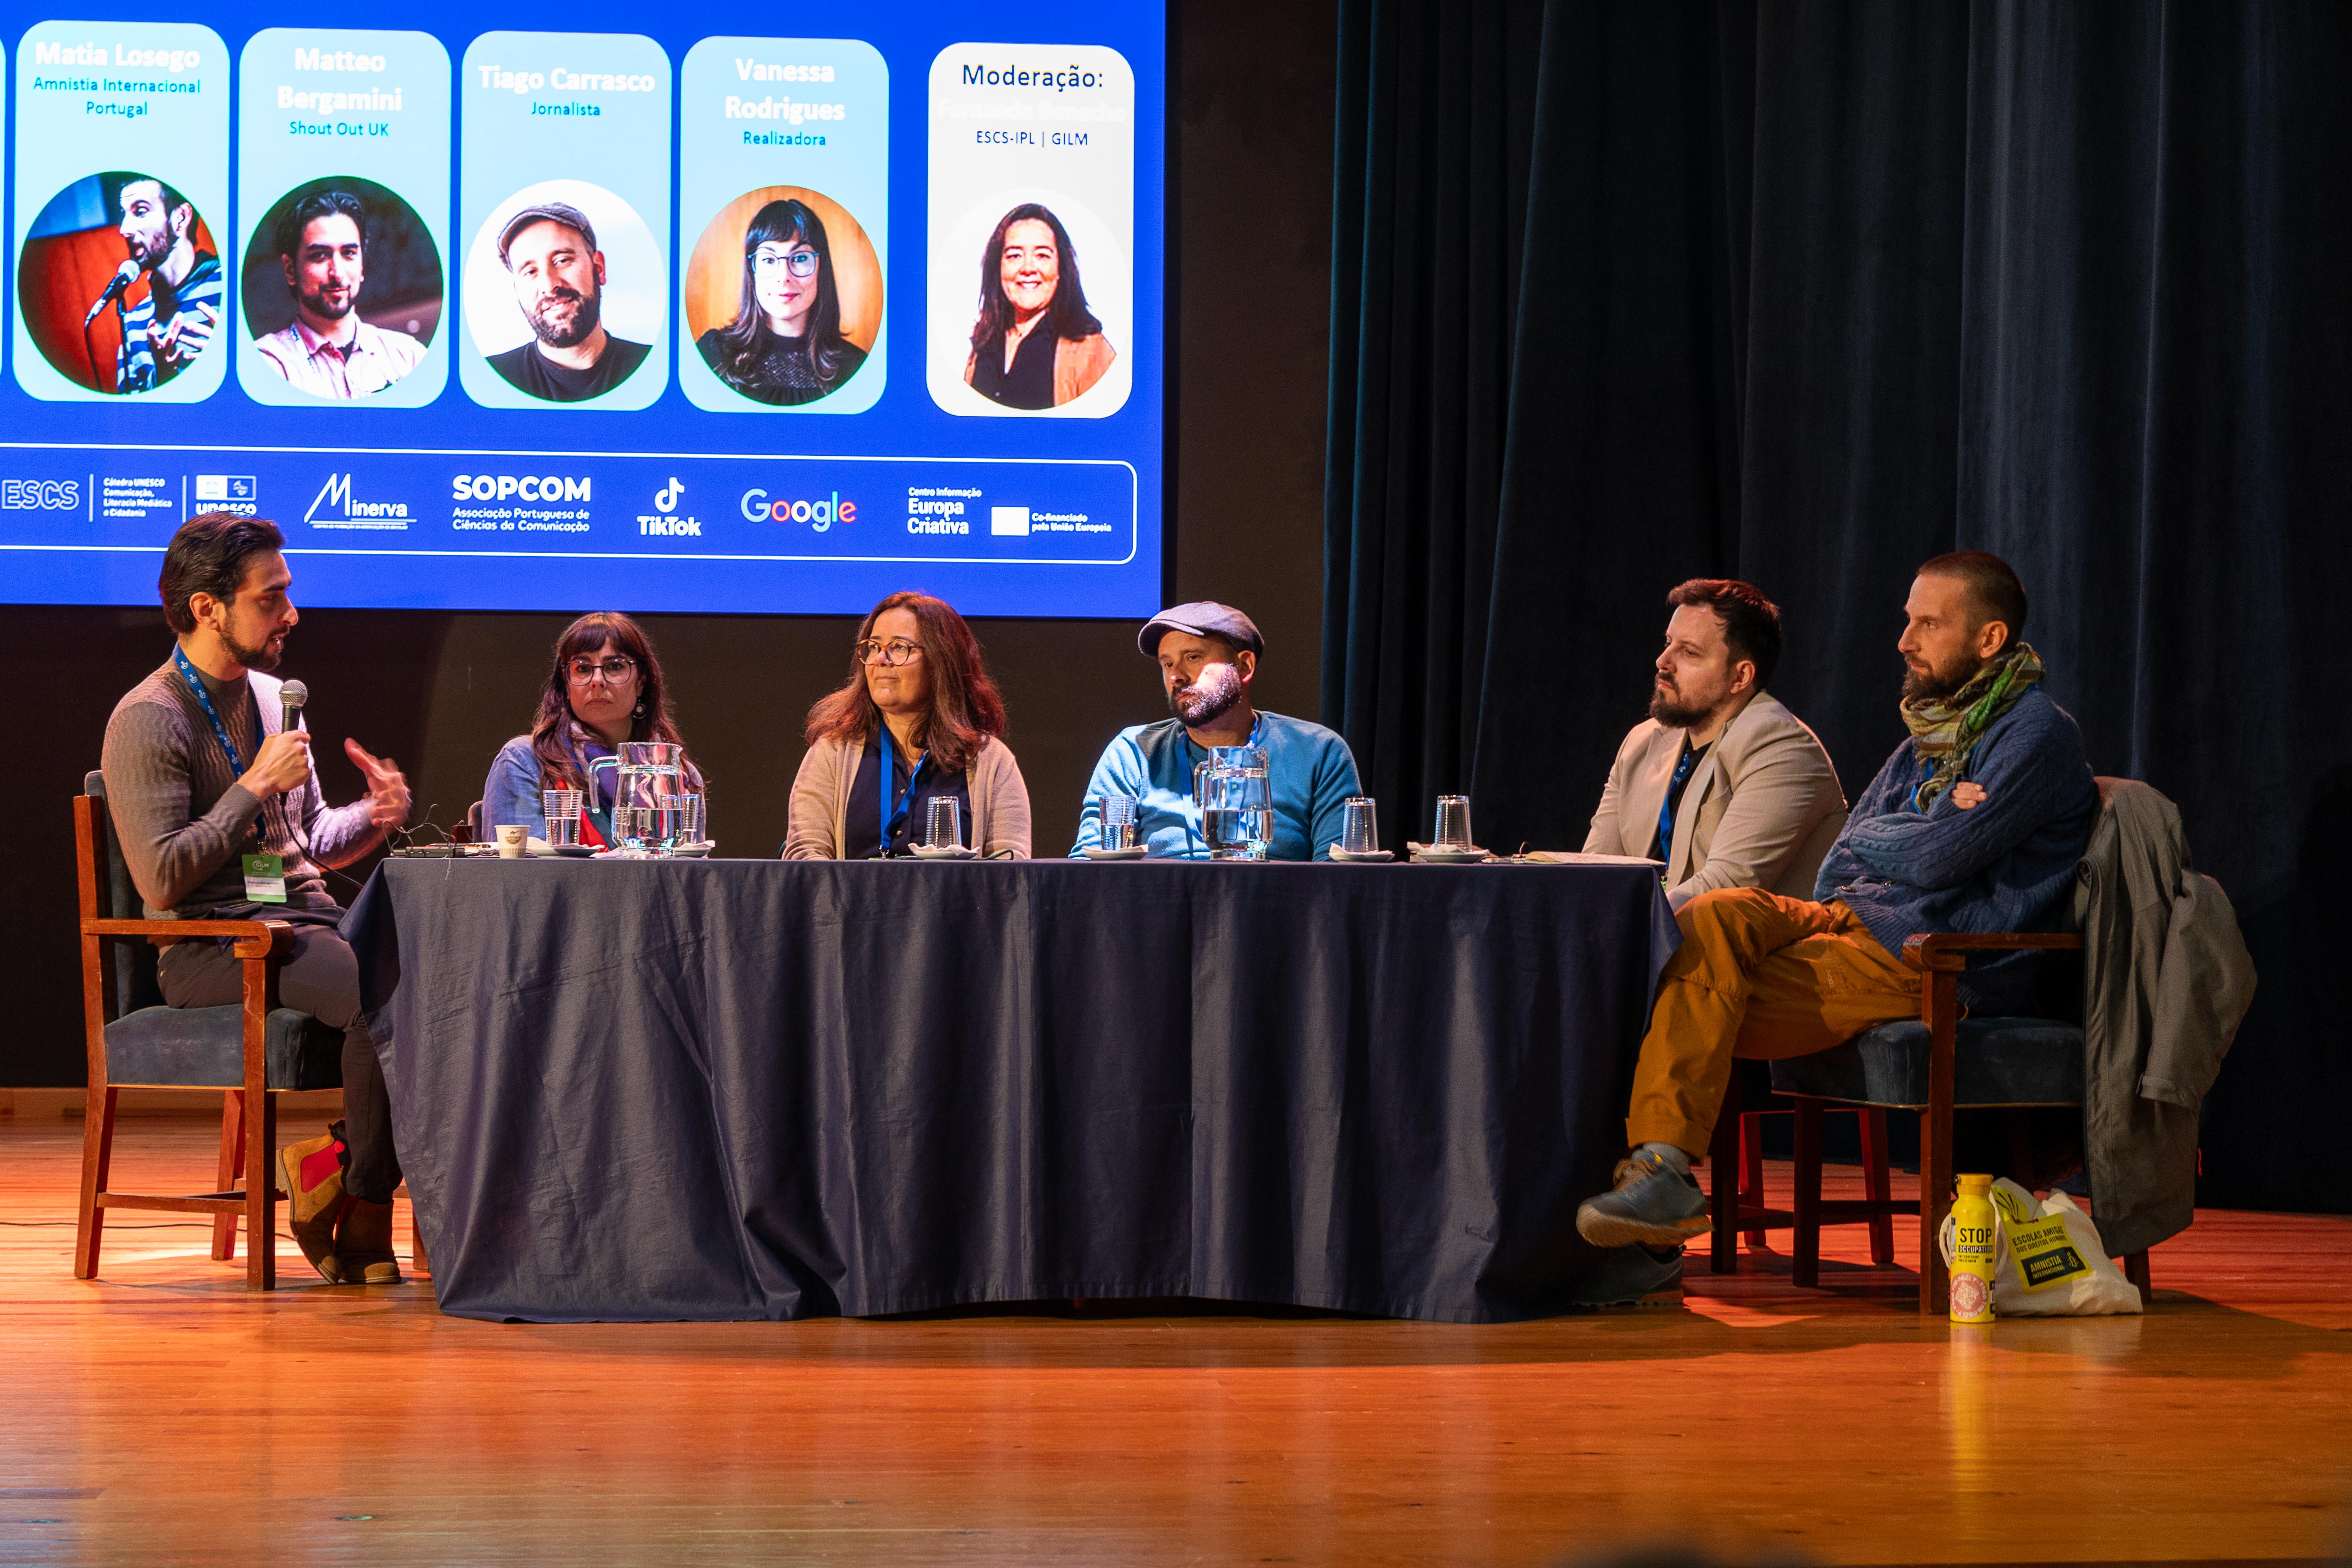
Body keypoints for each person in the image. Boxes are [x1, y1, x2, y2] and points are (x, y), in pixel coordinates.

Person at [1574, 551, 2099, 1253]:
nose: (1905, 640)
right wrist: (1929, 813)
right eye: (1907, 620)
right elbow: (1845, 855)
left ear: (1990, 639)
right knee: (1713, 914)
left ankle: (1658, 1175)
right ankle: (1652, 1186)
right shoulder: (1936, 731)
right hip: (1851, 918)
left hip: (1929, 954)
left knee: (1660, 986)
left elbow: (1943, 857)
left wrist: (1926, 829)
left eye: (1928, 624)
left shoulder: (2035, 735)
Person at [99, 513, 413, 1283]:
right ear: (208, 607)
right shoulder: (150, 717)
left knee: (452, 981)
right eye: (271, 599)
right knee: (392, 995)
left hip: (302, 926)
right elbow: (162, 880)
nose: (292, 615)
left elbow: (305, 843)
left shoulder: (275, 699)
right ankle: (364, 1207)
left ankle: (332, 1165)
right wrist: (249, 786)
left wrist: (371, 818)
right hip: (213, 947)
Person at [1584, 579, 1847, 909]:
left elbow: (1722, 891)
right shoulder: (1643, 742)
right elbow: (1594, 870)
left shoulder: (1783, 748)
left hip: (1748, 958)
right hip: (1646, 943)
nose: (1663, 661)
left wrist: (1612, 928)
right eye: (1668, 642)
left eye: (1689, 652)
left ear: (1741, 676)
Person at [1069, 602, 1361, 860]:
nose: (1176, 675)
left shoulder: (1317, 752)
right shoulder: (1133, 752)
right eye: (1167, 663)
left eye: (1193, 658)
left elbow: (1336, 879)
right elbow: (1089, 866)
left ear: (1244, 665)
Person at [786, 592, 1032, 859]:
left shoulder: (991, 761)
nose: (881, 659)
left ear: (942, 661)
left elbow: (1012, 871)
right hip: (852, 901)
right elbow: (805, 857)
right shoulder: (833, 751)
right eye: (875, 647)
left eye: (900, 647)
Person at [484, 612, 703, 848]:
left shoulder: (680, 777)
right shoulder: (524, 761)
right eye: (583, 668)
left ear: (641, 682)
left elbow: (687, 875)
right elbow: (519, 873)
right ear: (566, 685)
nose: (597, 680)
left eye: (615, 666)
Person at [254, 188, 428, 398]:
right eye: (319, 255)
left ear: (362, 264)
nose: (337, 273)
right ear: (291, 270)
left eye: (349, 254)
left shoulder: (408, 357)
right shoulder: (266, 362)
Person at [695, 198, 867, 406]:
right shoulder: (712, 354)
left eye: (800, 258)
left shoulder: (857, 366)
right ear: (753, 273)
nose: (784, 276)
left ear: (822, 269)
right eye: (768, 260)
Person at [484, 201, 651, 402]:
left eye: (562, 261)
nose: (549, 285)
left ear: (598, 268)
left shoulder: (658, 365)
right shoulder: (486, 378)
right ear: (517, 290)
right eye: (530, 272)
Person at [962, 203, 1116, 409]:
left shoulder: (1090, 351)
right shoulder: (983, 346)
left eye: (1042, 255)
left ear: (1061, 268)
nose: (1028, 268)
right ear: (998, 267)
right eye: (1015, 255)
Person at [111, 175, 222, 393]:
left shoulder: (233, 289)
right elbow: (132, 418)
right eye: (124, 215)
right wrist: (162, 379)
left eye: (140, 212)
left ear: (180, 218)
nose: (124, 229)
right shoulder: (133, 323)